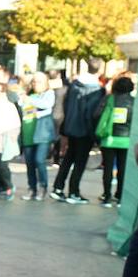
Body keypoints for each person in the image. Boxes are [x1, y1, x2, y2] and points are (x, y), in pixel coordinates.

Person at [51, 57, 105, 205]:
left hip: (71, 126)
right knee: (79, 162)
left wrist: (65, 126)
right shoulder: (97, 90)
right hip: (85, 130)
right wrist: (94, 134)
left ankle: (58, 187)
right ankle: (73, 192)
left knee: (68, 158)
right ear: (99, 69)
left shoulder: (74, 85)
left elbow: (66, 106)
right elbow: (92, 114)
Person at [96, 75, 134, 207]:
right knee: (122, 169)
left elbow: (97, 114)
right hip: (126, 140)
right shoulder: (133, 102)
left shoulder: (109, 99)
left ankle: (107, 195)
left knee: (108, 168)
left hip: (109, 138)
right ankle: (120, 196)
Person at [20, 72, 56, 201]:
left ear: (46, 83)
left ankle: (43, 186)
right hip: (28, 132)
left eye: (39, 81)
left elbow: (46, 105)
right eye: (34, 81)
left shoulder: (49, 94)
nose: (35, 84)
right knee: (29, 163)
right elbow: (21, 107)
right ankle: (32, 188)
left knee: (39, 160)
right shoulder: (29, 95)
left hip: (42, 133)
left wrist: (29, 100)